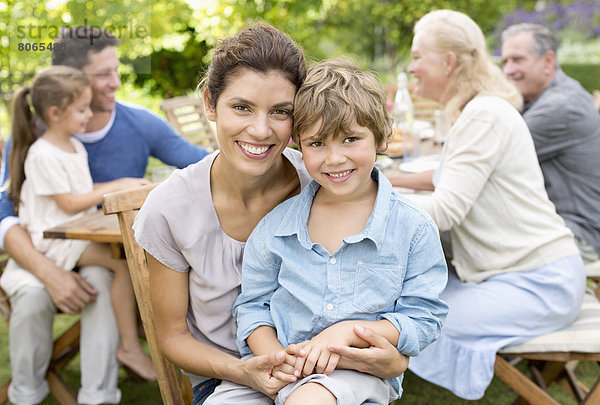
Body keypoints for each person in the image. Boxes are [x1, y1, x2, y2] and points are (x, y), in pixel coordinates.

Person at [133, 23, 410, 405]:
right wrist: (244, 370)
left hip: (327, 373)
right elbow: (173, 338)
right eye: (242, 107)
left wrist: (393, 361)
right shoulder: (170, 209)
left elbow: (387, 290)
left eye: (281, 112)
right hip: (226, 377)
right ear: (210, 103)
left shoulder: (324, 182)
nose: (260, 130)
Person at [202, 57, 448, 405]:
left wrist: (349, 332)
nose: (334, 159)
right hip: (277, 367)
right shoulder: (276, 228)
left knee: (310, 401)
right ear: (298, 145)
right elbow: (253, 305)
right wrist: (275, 359)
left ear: (380, 136)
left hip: (353, 372)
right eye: (317, 144)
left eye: (350, 139)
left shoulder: (413, 228)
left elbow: (423, 317)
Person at [0, 26, 208, 405]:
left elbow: (201, 162)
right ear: (72, 79)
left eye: (116, 69)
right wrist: (49, 273)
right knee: (31, 299)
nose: (115, 82)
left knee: (107, 276)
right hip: (39, 250)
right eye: (102, 75)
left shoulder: (137, 123)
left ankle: (99, 395)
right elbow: (5, 214)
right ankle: (25, 394)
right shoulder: (34, 135)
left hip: (96, 253)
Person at [387, 10, 586, 400]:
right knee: (402, 299)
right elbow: (451, 179)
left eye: (416, 57)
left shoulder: (485, 115)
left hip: (540, 283)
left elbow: (445, 211)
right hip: (511, 276)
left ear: (449, 63)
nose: (410, 68)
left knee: (412, 317)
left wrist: (364, 210)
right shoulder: (478, 111)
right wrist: (385, 184)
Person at [1, 65, 156, 388]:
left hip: (68, 237)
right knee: (123, 265)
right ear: (56, 113)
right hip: (51, 242)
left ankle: (128, 346)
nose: (89, 115)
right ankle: (130, 346)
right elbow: (70, 204)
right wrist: (120, 184)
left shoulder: (74, 147)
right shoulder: (42, 154)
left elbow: (79, 198)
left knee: (124, 261)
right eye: (82, 109)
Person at [501, 23, 600, 262]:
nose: (508, 70)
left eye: (517, 59)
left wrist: (396, 179)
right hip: (555, 224)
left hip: (575, 235)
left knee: (462, 243)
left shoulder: (559, 107)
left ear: (548, 61)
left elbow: (483, 160)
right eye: (504, 61)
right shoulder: (543, 97)